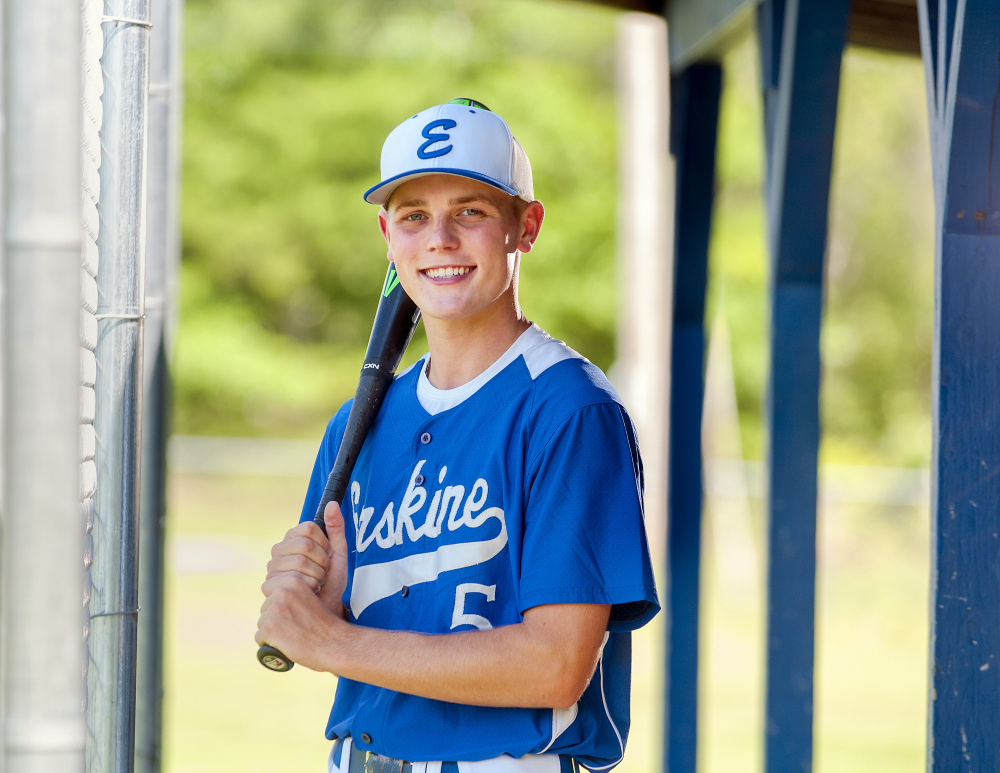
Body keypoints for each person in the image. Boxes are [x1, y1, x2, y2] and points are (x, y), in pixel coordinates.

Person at [256, 98, 659, 773]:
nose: (439, 238)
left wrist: (332, 641)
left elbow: (555, 665)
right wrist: (318, 603)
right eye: (414, 217)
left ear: (524, 226)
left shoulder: (569, 411)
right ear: (388, 235)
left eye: (469, 210)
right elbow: (325, 621)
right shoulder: (359, 420)